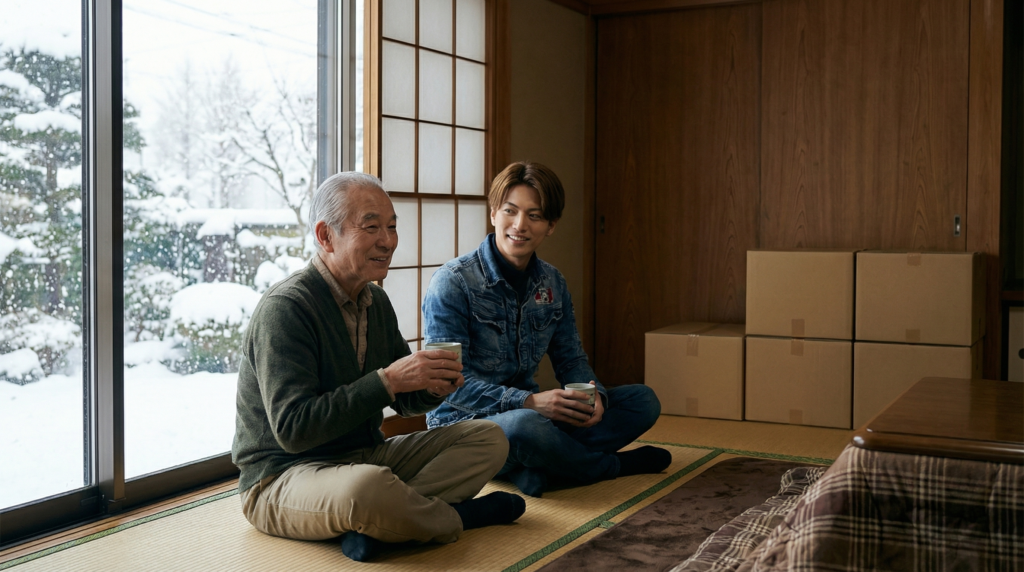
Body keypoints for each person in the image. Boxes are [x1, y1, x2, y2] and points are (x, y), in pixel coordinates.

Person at [231, 172, 525, 563]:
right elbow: (293, 430)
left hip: (365, 456)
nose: (387, 241)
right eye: (371, 227)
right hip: (283, 476)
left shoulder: (375, 302)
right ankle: (452, 518)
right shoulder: (285, 309)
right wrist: (387, 381)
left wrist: (434, 387)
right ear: (325, 236)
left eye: (391, 227)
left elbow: (405, 402)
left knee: (489, 438)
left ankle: (392, 523)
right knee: (367, 489)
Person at [422, 161, 670, 498]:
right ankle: (609, 467)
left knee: (643, 401)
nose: (520, 225)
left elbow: (570, 358)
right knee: (526, 426)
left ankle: (536, 467)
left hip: (535, 418)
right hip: (465, 427)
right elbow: (448, 387)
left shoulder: (552, 282)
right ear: (494, 213)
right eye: (510, 211)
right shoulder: (452, 283)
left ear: (551, 225)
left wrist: (592, 395)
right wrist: (529, 401)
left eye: (535, 216)